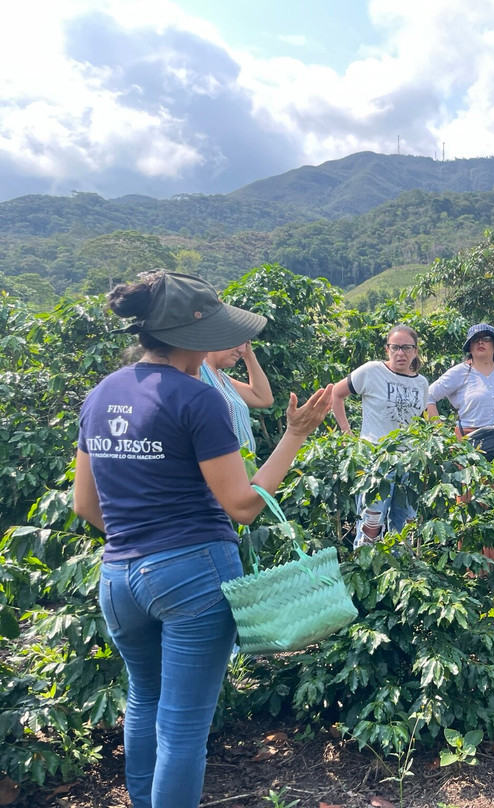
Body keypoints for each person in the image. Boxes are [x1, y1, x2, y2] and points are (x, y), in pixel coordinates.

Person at [73, 272, 333, 808]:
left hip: (119, 577)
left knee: (144, 700)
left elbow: (85, 505)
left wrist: (140, 541)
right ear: (188, 336)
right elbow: (242, 506)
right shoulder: (198, 399)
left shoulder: (102, 395)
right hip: (192, 576)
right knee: (183, 729)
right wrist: (296, 434)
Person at [331, 325, 429, 544]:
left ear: (415, 351)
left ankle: (401, 574)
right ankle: (365, 571)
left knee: (407, 526)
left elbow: (424, 421)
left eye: (406, 348)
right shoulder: (372, 371)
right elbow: (336, 394)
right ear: (387, 349)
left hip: (410, 463)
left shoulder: (421, 383)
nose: (400, 353)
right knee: (371, 524)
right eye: (395, 347)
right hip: (375, 460)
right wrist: (348, 436)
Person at [425, 322, 494, 456]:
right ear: (469, 348)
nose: (480, 342)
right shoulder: (459, 372)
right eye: (475, 340)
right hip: (470, 442)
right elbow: (428, 395)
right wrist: (440, 430)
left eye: (486, 339)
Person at [199, 341, 274, 456]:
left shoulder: (223, 378)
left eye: (245, 343)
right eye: (236, 340)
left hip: (242, 467)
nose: (242, 349)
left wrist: (249, 355)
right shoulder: (198, 371)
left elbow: (263, 398)